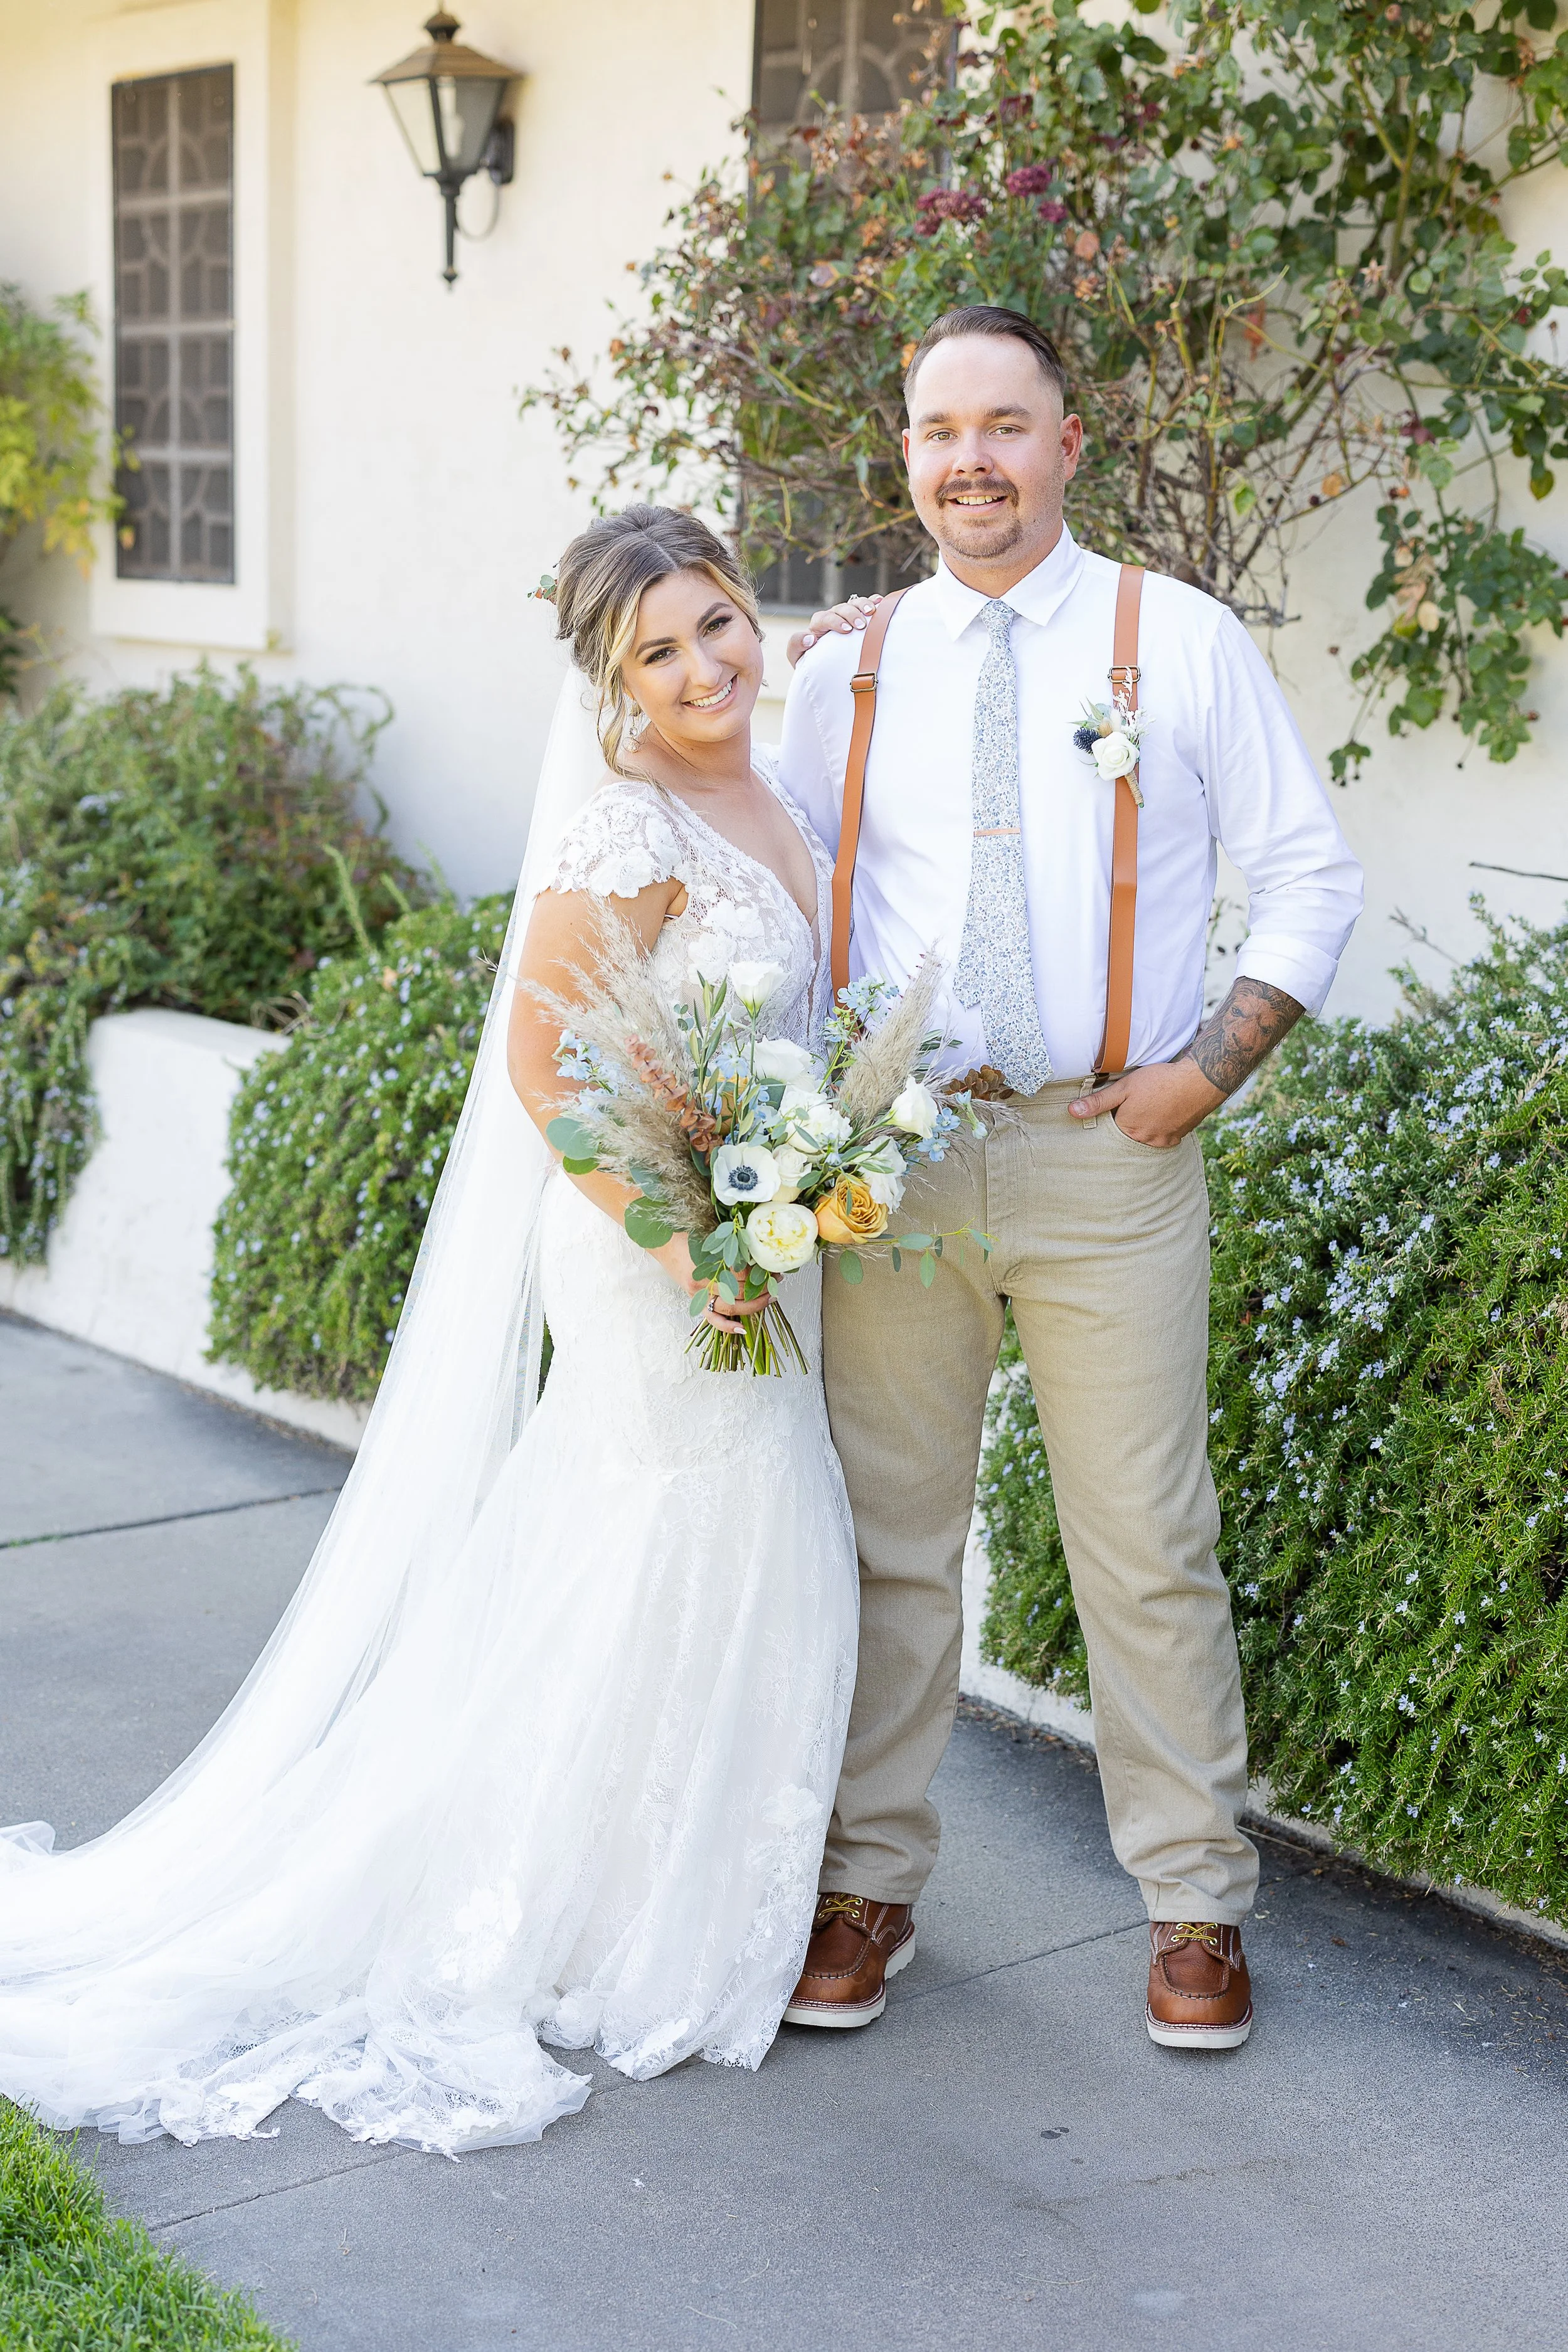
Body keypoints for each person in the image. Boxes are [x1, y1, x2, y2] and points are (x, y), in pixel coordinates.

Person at [0, 506, 859, 2155]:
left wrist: (788, 1190)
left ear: (753, 612)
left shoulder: (770, 782)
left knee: (732, 1544)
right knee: (669, 1540)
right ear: (610, 686)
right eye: (658, 651)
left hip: (760, 1234)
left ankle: (646, 1893)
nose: (704, 666)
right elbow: (550, 1066)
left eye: (716, 624)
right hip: (650, 1248)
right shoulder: (627, 826)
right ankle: (570, 1912)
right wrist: (689, 1239)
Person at [776, 305, 1364, 2048]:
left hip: (1108, 1153)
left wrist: (1205, 1068)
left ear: (1065, 443)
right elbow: (779, 882)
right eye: (937, 429)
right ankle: (864, 1883)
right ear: (905, 455)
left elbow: (1306, 872)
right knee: (889, 1548)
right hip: (897, 1166)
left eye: (1004, 425)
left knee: (1144, 1542)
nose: (969, 458)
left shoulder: (1170, 640)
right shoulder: (845, 667)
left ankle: (1194, 1900)